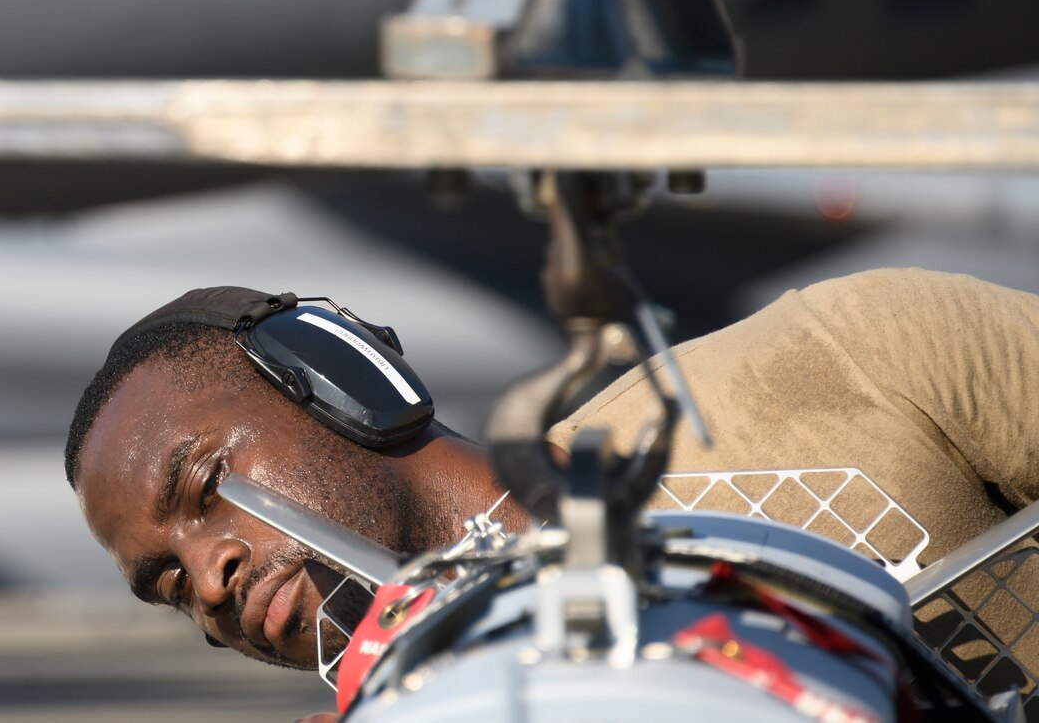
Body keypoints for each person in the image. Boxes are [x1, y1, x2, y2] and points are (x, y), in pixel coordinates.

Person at [65, 267, 1039, 674]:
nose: (206, 581)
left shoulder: (844, 358)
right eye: (169, 588)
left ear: (336, 376)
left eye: (203, 487)